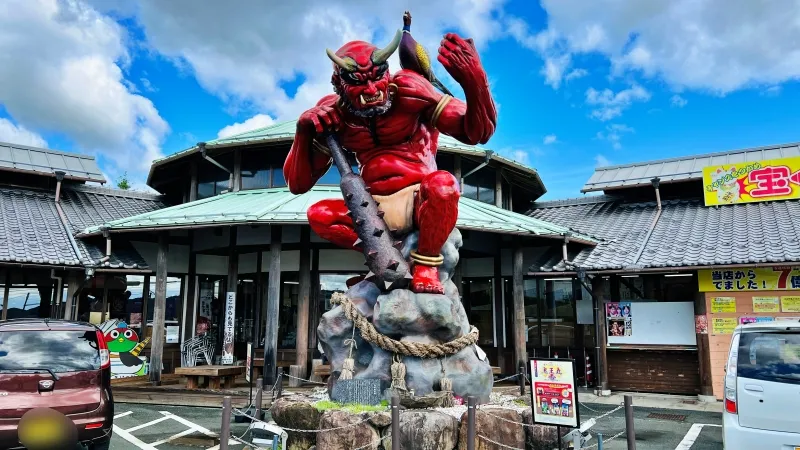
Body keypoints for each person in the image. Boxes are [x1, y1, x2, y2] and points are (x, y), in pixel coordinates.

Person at [284, 28, 497, 295]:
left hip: (421, 198)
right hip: (373, 211)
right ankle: (383, 260)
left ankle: (426, 266)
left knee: (444, 185)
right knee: (320, 214)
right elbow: (297, 183)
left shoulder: (409, 90)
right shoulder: (334, 114)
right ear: (339, 83)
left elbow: (478, 132)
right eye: (359, 83)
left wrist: (474, 79)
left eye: (378, 77)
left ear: (387, 71)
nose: (373, 89)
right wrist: (302, 132)